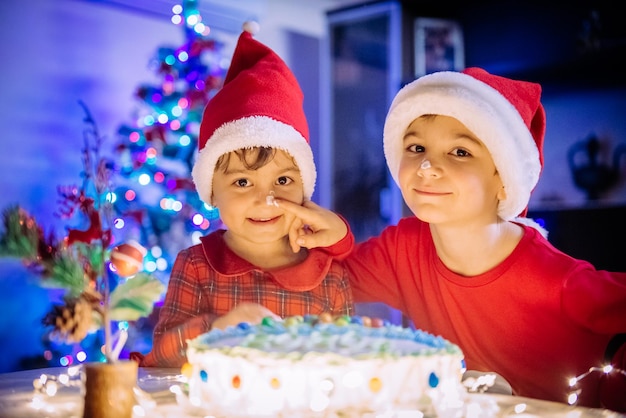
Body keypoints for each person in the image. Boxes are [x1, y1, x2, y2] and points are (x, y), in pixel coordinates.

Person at [279, 67, 626, 411]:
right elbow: (323, 285)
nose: (427, 166)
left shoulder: (558, 282)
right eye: (416, 147)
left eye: (460, 152)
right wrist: (339, 239)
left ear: (504, 180)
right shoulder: (403, 249)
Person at [131, 23, 354, 368]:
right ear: (211, 192)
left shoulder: (330, 278)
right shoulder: (195, 266)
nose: (266, 200)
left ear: (305, 188)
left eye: (282, 180)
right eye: (242, 183)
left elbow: (349, 364)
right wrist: (217, 330)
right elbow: (162, 356)